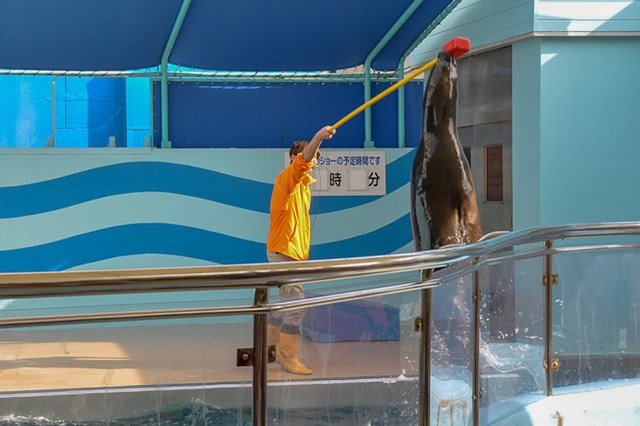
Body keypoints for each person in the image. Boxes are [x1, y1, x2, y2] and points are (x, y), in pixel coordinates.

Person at [266, 125, 336, 375]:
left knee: (288, 304)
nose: (315, 160)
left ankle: (270, 349)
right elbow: (303, 163)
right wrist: (318, 137)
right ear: (295, 157)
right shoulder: (287, 178)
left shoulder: (302, 187)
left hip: (291, 254)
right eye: (312, 155)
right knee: (296, 305)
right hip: (284, 252)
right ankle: (288, 357)